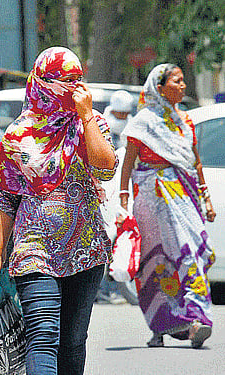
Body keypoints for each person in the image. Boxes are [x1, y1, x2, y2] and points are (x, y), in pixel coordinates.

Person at [0, 47, 117, 375]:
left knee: (73, 340)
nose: (75, 88)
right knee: (42, 337)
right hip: (34, 250)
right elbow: (7, 196)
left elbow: (106, 168)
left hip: (85, 252)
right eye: (65, 81)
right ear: (42, 83)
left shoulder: (92, 124)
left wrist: (86, 116)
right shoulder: (18, 134)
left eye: (79, 80)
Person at [119, 63, 216, 348]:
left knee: (192, 253)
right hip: (151, 199)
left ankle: (196, 319)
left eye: (184, 81)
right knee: (157, 262)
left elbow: (195, 161)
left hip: (182, 196)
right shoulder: (143, 122)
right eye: (177, 81)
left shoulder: (184, 120)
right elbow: (128, 163)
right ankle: (162, 326)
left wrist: (206, 198)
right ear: (159, 88)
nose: (183, 86)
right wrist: (123, 202)